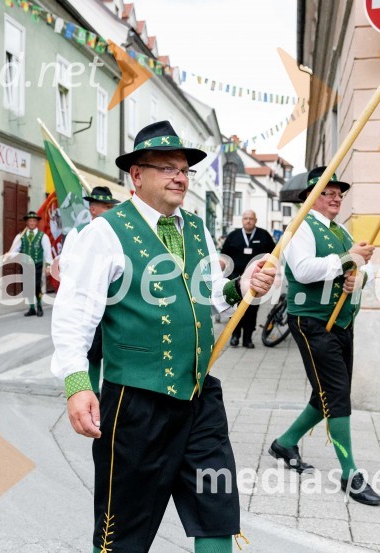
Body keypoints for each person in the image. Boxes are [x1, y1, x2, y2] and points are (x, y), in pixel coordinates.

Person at [51, 121, 277, 553]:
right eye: (168, 167)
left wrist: (245, 284)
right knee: (123, 533)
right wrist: (78, 385)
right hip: (137, 404)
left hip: (199, 396)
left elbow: (209, 295)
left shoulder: (196, 228)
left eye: (185, 170)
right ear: (136, 175)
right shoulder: (105, 233)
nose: (180, 177)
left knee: (217, 512)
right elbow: (73, 316)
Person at [267, 166, 380, 506]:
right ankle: (350, 473)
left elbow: (366, 266)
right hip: (312, 320)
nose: (336, 198)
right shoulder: (300, 227)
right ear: (310, 198)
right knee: (336, 394)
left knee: (330, 393)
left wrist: (359, 276)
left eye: (339, 194)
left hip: (342, 322)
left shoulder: (341, 231)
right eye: (328, 192)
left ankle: (285, 443)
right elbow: (303, 269)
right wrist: (348, 260)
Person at [51, 186, 120, 393]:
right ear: (93, 209)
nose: (110, 210)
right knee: (91, 348)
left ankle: (110, 393)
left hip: (114, 301)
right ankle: (91, 393)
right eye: (106, 206)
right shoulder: (78, 233)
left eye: (111, 206)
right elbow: (67, 267)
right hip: (89, 299)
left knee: (111, 347)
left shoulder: (117, 232)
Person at [220, 210, 276, 348]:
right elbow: (223, 256)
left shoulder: (264, 236)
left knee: (251, 312)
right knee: (234, 310)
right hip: (235, 280)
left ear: (255, 220)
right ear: (242, 220)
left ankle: (248, 339)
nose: (248, 221)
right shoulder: (233, 236)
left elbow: (273, 255)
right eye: (246, 218)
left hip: (256, 279)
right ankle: (235, 336)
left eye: (251, 218)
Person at [8, 212, 52, 317]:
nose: (32, 223)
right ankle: (32, 308)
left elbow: (47, 251)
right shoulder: (21, 236)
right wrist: (9, 255)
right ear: (27, 222)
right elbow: (15, 249)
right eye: (30, 221)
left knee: (36, 286)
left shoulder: (43, 236)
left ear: (36, 222)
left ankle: (39, 306)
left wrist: (48, 266)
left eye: (34, 221)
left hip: (37, 264)